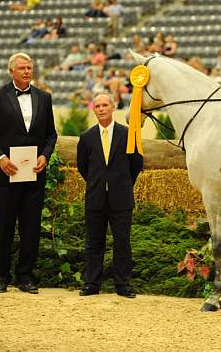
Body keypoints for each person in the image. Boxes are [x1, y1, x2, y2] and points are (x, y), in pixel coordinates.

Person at [0, 53, 57, 294]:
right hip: (4, 174)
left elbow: (51, 134)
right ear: (11, 71)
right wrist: (0, 159)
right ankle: (0, 277)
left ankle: (25, 276)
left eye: (29, 68)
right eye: (22, 68)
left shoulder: (44, 98)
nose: (26, 71)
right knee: (2, 226)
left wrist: (45, 155)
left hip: (34, 175)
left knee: (31, 228)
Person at [77, 92, 143, 297]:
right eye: (97, 106)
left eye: (105, 105)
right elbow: (83, 167)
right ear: (93, 109)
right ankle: (92, 284)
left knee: (122, 243)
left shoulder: (128, 134)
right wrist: (99, 184)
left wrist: (121, 185)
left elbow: (136, 164)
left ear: (113, 107)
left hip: (121, 199)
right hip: (95, 199)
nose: (101, 109)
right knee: (94, 242)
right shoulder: (86, 138)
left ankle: (122, 285)